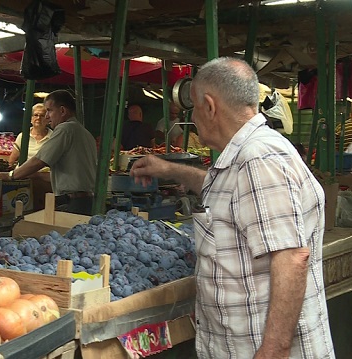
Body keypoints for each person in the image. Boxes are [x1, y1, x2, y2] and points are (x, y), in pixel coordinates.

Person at [130, 57, 334, 359]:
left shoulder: (257, 160)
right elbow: (229, 192)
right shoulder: (251, 155)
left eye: (195, 109)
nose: (195, 119)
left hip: (257, 349)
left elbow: (291, 258)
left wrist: (275, 349)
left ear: (210, 106)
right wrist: (170, 170)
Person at [0, 90, 97, 215]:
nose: (47, 116)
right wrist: (37, 176)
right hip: (86, 201)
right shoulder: (85, 133)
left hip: (72, 203)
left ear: (62, 111)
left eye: (49, 110)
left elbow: (39, 160)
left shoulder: (65, 129)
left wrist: (10, 176)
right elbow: (70, 173)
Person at [8, 103, 53, 167]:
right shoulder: (22, 136)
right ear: (31, 119)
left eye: (42, 115)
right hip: (22, 174)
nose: (38, 118)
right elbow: (12, 161)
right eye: (35, 115)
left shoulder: (53, 137)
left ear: (48, 119)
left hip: (43, 174)